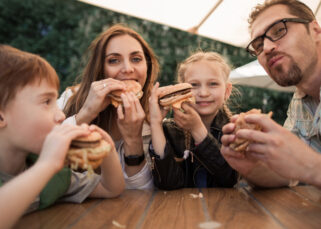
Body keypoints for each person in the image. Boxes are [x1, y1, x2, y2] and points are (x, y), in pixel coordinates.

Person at [0, 45, 125, 229]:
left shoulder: (52, 175)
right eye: (46, 102)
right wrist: (46, 165)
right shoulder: (45, 167)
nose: (60, 115)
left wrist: (107, 150)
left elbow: (111, 188)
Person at [220, 0, 321, 188]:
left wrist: (310, 166)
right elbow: (289, 176)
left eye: (278, 30)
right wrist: (251, 168)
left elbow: (306, 167)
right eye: (258, 45)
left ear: (315, 30)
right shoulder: (299, 102)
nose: (266, 48)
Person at [58, 24, 159, 189]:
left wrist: (133, 140)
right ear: (100, 68)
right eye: (114, 60)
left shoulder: (154, 117)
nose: (127, 69)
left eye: (136, 59)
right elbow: (38, 156)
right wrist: (85, 113)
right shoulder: (70, 99)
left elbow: (142, 193)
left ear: (147, 65)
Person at [148, 51, 238, 190]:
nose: (203, 93)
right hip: (180, 209)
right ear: (180, 91)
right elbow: (167, 183)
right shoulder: (169, 130)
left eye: (213, 84)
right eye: (194, 85)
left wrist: (197, 129)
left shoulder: (235, 130)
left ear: (227, 91)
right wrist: (155, 123)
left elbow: (229, 179)